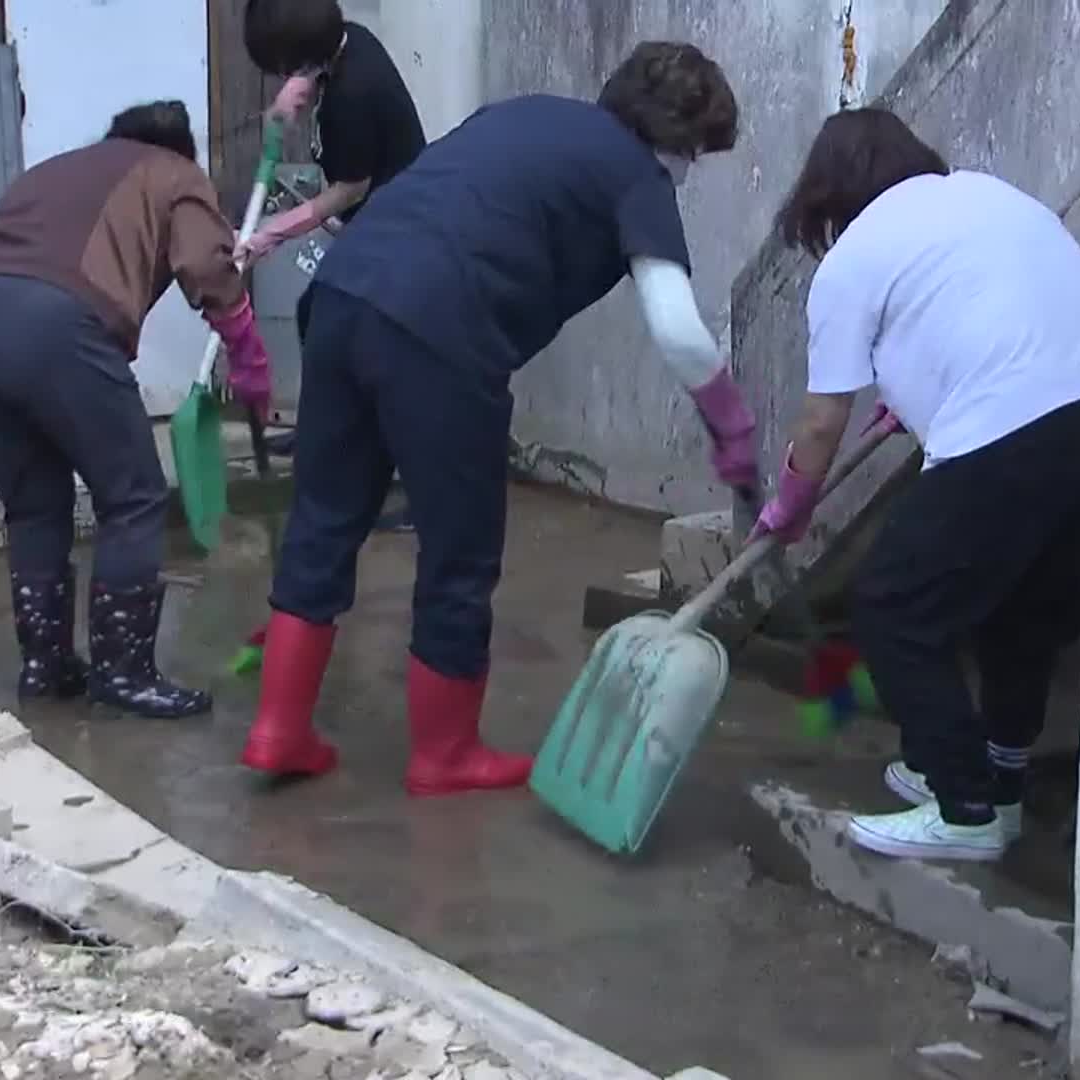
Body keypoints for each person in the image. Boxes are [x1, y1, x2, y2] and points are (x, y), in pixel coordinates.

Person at [238, 42, 757, 797]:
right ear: (678, 142)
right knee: (459, 548)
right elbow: (677, 327)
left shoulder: (522, 116)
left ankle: (277, 729)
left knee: (325, 516)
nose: (688, 173)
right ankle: (443, 754)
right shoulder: (636, 175)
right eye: (696, 156)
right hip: (441, 334)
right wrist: (732, 431)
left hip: (346, 297)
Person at [752, 108, 1080, 862]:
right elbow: (996, 319)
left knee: (894, 606)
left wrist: (788, 507)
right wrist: (920, 389)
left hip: (1007, 427)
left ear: (828, 193)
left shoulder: (854, 259)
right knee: (1021, 607)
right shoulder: (989, 197)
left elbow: (819, 424)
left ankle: (964, 806)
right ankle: (998, 780)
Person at [0, 100, 273, 718]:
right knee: (134, 495)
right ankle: (123, 673)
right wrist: (251, 362)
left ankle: (46, 667)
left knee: (35, 505)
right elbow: (208, 263)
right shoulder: (176, 175)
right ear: (181, 149)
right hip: (56, 323)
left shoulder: (57, 171)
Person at [238, 0, 427, 262]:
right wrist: (296, 87)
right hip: (394, 211)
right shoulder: (352, 37)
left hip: (400, 233)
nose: (281, 76)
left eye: (282, 68)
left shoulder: (351, 93)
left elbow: (351, 190)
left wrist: (272, 234)